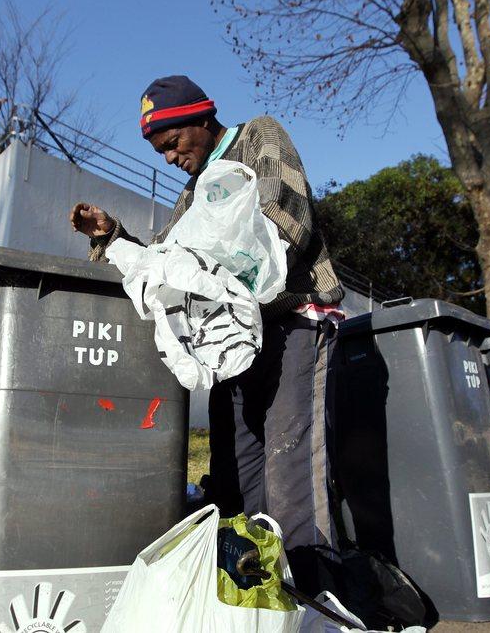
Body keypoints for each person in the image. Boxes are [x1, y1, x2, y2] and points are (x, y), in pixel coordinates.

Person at [69, 75, 344, 593]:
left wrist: (205, 267)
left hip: (292, 324)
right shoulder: (195, 196)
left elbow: (288, 220)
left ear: (201, 118)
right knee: (235, 478)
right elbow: (168, 258)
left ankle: (315, 602)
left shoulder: (257, 138)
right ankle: (256, 599)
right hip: (232, 344)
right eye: (160, 152)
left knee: (292, 476)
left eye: (173, 143)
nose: (170, 158)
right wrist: (113, 236)